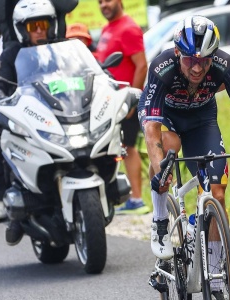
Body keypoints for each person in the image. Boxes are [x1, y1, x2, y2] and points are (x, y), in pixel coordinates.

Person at [140, 15, 230, 261]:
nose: (197, 68)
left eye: (205, 61)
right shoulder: (161, 67)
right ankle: (160, 221)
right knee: (169, 149)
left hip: (202, 120)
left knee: (217, 193)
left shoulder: (224, 64)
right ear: (177, 52)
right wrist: (160, 172)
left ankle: (217, 276)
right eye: (189, 60)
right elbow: (152, 128)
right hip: (165, 117)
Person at [0, 0, 58, 245]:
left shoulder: (60, 49)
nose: (39, 30)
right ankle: (1, 198)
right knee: (3, 137)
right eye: (33, 26)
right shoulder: (11, 53)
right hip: (26, 113)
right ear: (22, 29)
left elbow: (84, 70)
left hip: (58, 114)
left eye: (43, 25)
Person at [95, 0, 149, 215]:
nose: (103, 5)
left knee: (128, 148)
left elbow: (142, 65)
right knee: (117, 148)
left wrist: (131, 100)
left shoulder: (128, 28)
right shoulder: (108, 28)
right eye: (99, 2)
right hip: (108, 101)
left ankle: (137, 199)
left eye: (107, 0)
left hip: (124, 101)